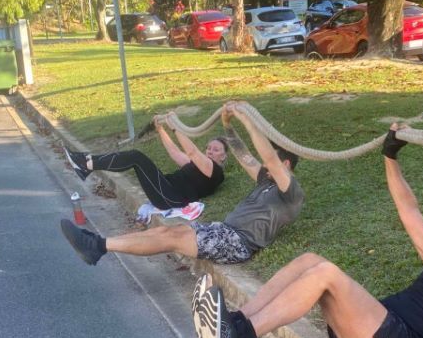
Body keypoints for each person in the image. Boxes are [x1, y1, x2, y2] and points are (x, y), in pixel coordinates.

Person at [192, 125, 423, 338]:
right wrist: (390, 156)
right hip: (371, 331)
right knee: (310, 261)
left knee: (326, 274)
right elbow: (408, 208)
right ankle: (234, 322)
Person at [59, 103, 304, 267]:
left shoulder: (291, 191)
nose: (265, 160)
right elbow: (244, 156)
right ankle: (98, 244)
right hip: (223, 229)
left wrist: (248, 122)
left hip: (238, 243)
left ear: (285, 164)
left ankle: (98, 245)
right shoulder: (264, 179)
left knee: (172, 237)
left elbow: (269, 158)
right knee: (168, 231)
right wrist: (229, 124)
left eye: (272, 158)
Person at [63, 120, 228, 211]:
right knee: (135, 158)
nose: (210, 151)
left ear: (224, 156)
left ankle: (86, 164)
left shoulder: (215, 171)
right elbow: (175, 153)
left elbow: (192, 151)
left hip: (171, 198)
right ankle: (86, 164)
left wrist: (175, 127)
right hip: (165, 187)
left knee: (136, 157)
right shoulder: (199, 165)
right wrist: (161, 129)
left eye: (216, 149)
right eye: (209, 148)